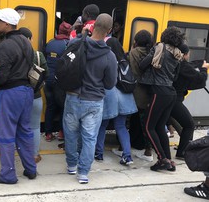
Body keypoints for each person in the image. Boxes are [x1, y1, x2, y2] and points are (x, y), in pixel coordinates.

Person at [64, 13, 117, 184]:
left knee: (71, 134)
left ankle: (72, 165)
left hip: (72, 97)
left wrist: (82, 33)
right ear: (109, 31)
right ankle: (83, 173)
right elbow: (110, 84)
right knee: (89, 138)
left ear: (93, 27)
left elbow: (68, 53)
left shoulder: (76, 43)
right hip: (93, 102)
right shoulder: (110, 56)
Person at [0, 8, 36, 184]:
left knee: (6, 134)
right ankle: (30, 169)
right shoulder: (26, 42)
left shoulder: (5, 45)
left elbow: (1, 76)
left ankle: (8, 175)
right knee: (24, 131)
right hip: (27, 92)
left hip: (10, 93)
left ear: (6, 24)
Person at [139, 26, 185, 172]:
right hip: (171, 93)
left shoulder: (159, 49)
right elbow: (176, 76)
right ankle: (169, 160)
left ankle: (162, 159)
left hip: (159, 92)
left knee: (148, 126)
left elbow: (142, 65)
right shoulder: (177, 54)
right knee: (159, 127)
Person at [95, 37, 137, 165]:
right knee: (121, 127)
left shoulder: (107, 58)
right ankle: (127, 155)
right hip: (125, 97)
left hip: (110, 96)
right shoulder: (126, 60)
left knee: (102, 126)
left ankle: (99, 153)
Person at [171, 43, 209, 159]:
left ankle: (185, 145)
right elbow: (200, 79)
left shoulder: (174, 62)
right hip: (174, 100)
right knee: (189, 125)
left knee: (171, 122)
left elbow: (190, 65)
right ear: (185, 55)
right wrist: (204, 68)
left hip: (168, 98)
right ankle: (182, 152)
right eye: (188, 55)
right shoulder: (183, 66)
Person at [19, 27, 48, 163]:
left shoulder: (13, 53)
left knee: (18, 125)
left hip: (17, 96)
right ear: (30, 39)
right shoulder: (38, 55)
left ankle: (20, 151)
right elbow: (46, 74)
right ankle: (34, 155)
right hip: (35, 95)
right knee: (35, 126)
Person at [128, 30, 154, 162]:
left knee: (132, 119)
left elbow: (131, 70)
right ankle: (145, 147)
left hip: (136, 92)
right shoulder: (152, 52)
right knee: (145, 122)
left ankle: (132, 146)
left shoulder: (134, 53)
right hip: (150, 92)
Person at [44, 21, 71, 142]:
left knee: (50, 107)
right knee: (62, 107)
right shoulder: (67, 44)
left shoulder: (49, 43)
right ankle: (61, 132)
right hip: (59, 81)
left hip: (48, 79)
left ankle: (48, 133)